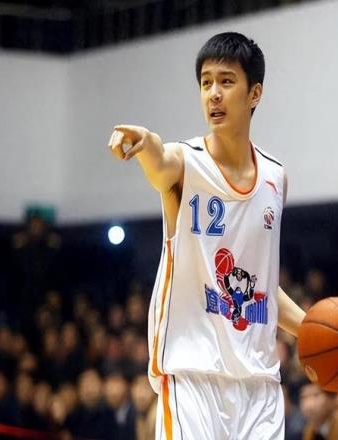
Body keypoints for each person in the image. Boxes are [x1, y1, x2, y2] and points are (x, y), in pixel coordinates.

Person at [108, 32, 306, 439]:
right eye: (205, 82)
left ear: (254, 93)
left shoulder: (275, 179)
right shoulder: (185, 162)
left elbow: (262, 286)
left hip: (260, 385)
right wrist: (146, 144)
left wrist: (316, 330)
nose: (213, 93)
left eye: (226, 81)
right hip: (192, 377)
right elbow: (160, 164)